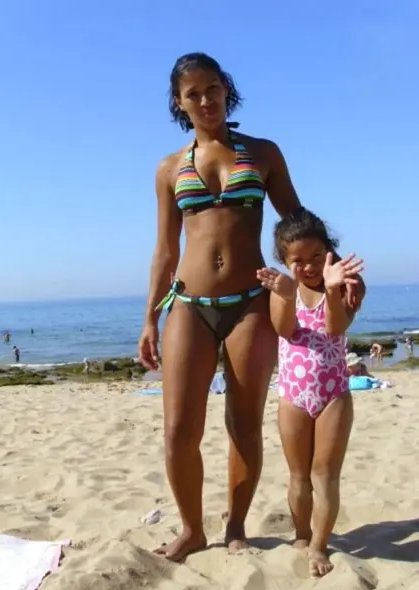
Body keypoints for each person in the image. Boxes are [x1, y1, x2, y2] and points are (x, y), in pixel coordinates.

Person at [138, 52, 365, 562]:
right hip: (190, 304)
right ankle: (191, 530)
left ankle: (236, 524)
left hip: (250, 304)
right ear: (179, 102)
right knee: (178, 429)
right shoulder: (169, 168)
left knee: (243, 423)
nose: (205, 100)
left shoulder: (262, 153)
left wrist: (336, 272)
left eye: (213, 88)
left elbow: (298, 223)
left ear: (226, 89)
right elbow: (165, 250)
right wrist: (150, 316)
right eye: (193, 93)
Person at [257, 210, 365, 578]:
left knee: (324, 475)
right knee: (298, 475)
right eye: (298, 260)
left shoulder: (348, 284)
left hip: (333, 394)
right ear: (284, 260)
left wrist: (333, 290)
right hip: (293, 395)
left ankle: (320, 545)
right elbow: (284, 330)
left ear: (329, 249)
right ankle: (302, 536)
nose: (309, 267)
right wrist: (287, 297)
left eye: (317, 256)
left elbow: (335, 328)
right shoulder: (283, 289)